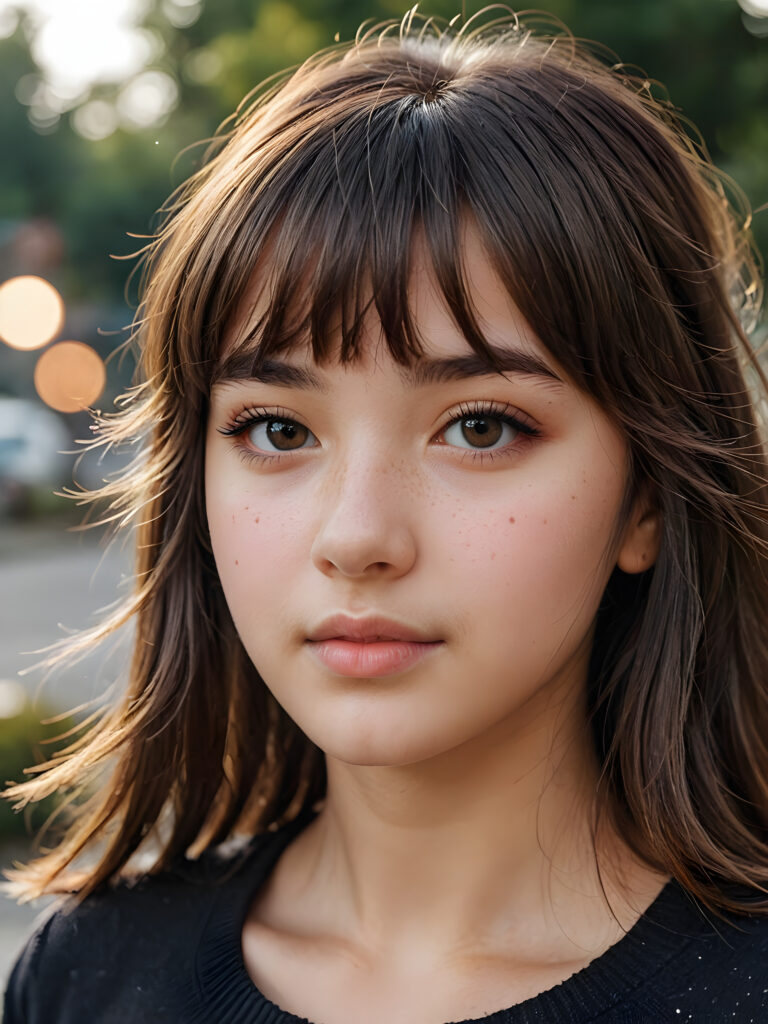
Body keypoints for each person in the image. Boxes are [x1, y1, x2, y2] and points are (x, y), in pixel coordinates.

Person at [4, 7, 768, 1022]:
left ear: (650, 499)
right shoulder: (84, 979)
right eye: (277, 430)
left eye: (482, 427)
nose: (356, 537)